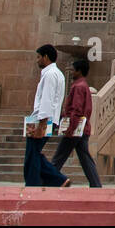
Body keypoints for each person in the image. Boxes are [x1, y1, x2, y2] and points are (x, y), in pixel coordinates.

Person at [50, 58, 102, 187]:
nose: (71, 72)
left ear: (79, 71)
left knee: (59, 157)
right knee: (85, 159)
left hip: (75, 129)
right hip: (83, 129)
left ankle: (49, 179)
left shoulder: (78, 87)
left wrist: (70, 128)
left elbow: (76, 110)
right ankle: (96, 185)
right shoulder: (83, 86)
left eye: (73, 70)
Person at [24, 43, 69, 188]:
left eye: (38, 57)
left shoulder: (50, 74)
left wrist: (42, 123)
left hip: (43, 119)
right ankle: (53, 180)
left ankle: (51, 180)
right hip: (46, 118)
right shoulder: (57, 74)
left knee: (32, 153)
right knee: (33, 153)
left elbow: (47, 100)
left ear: (46, 57)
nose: (37, 60)